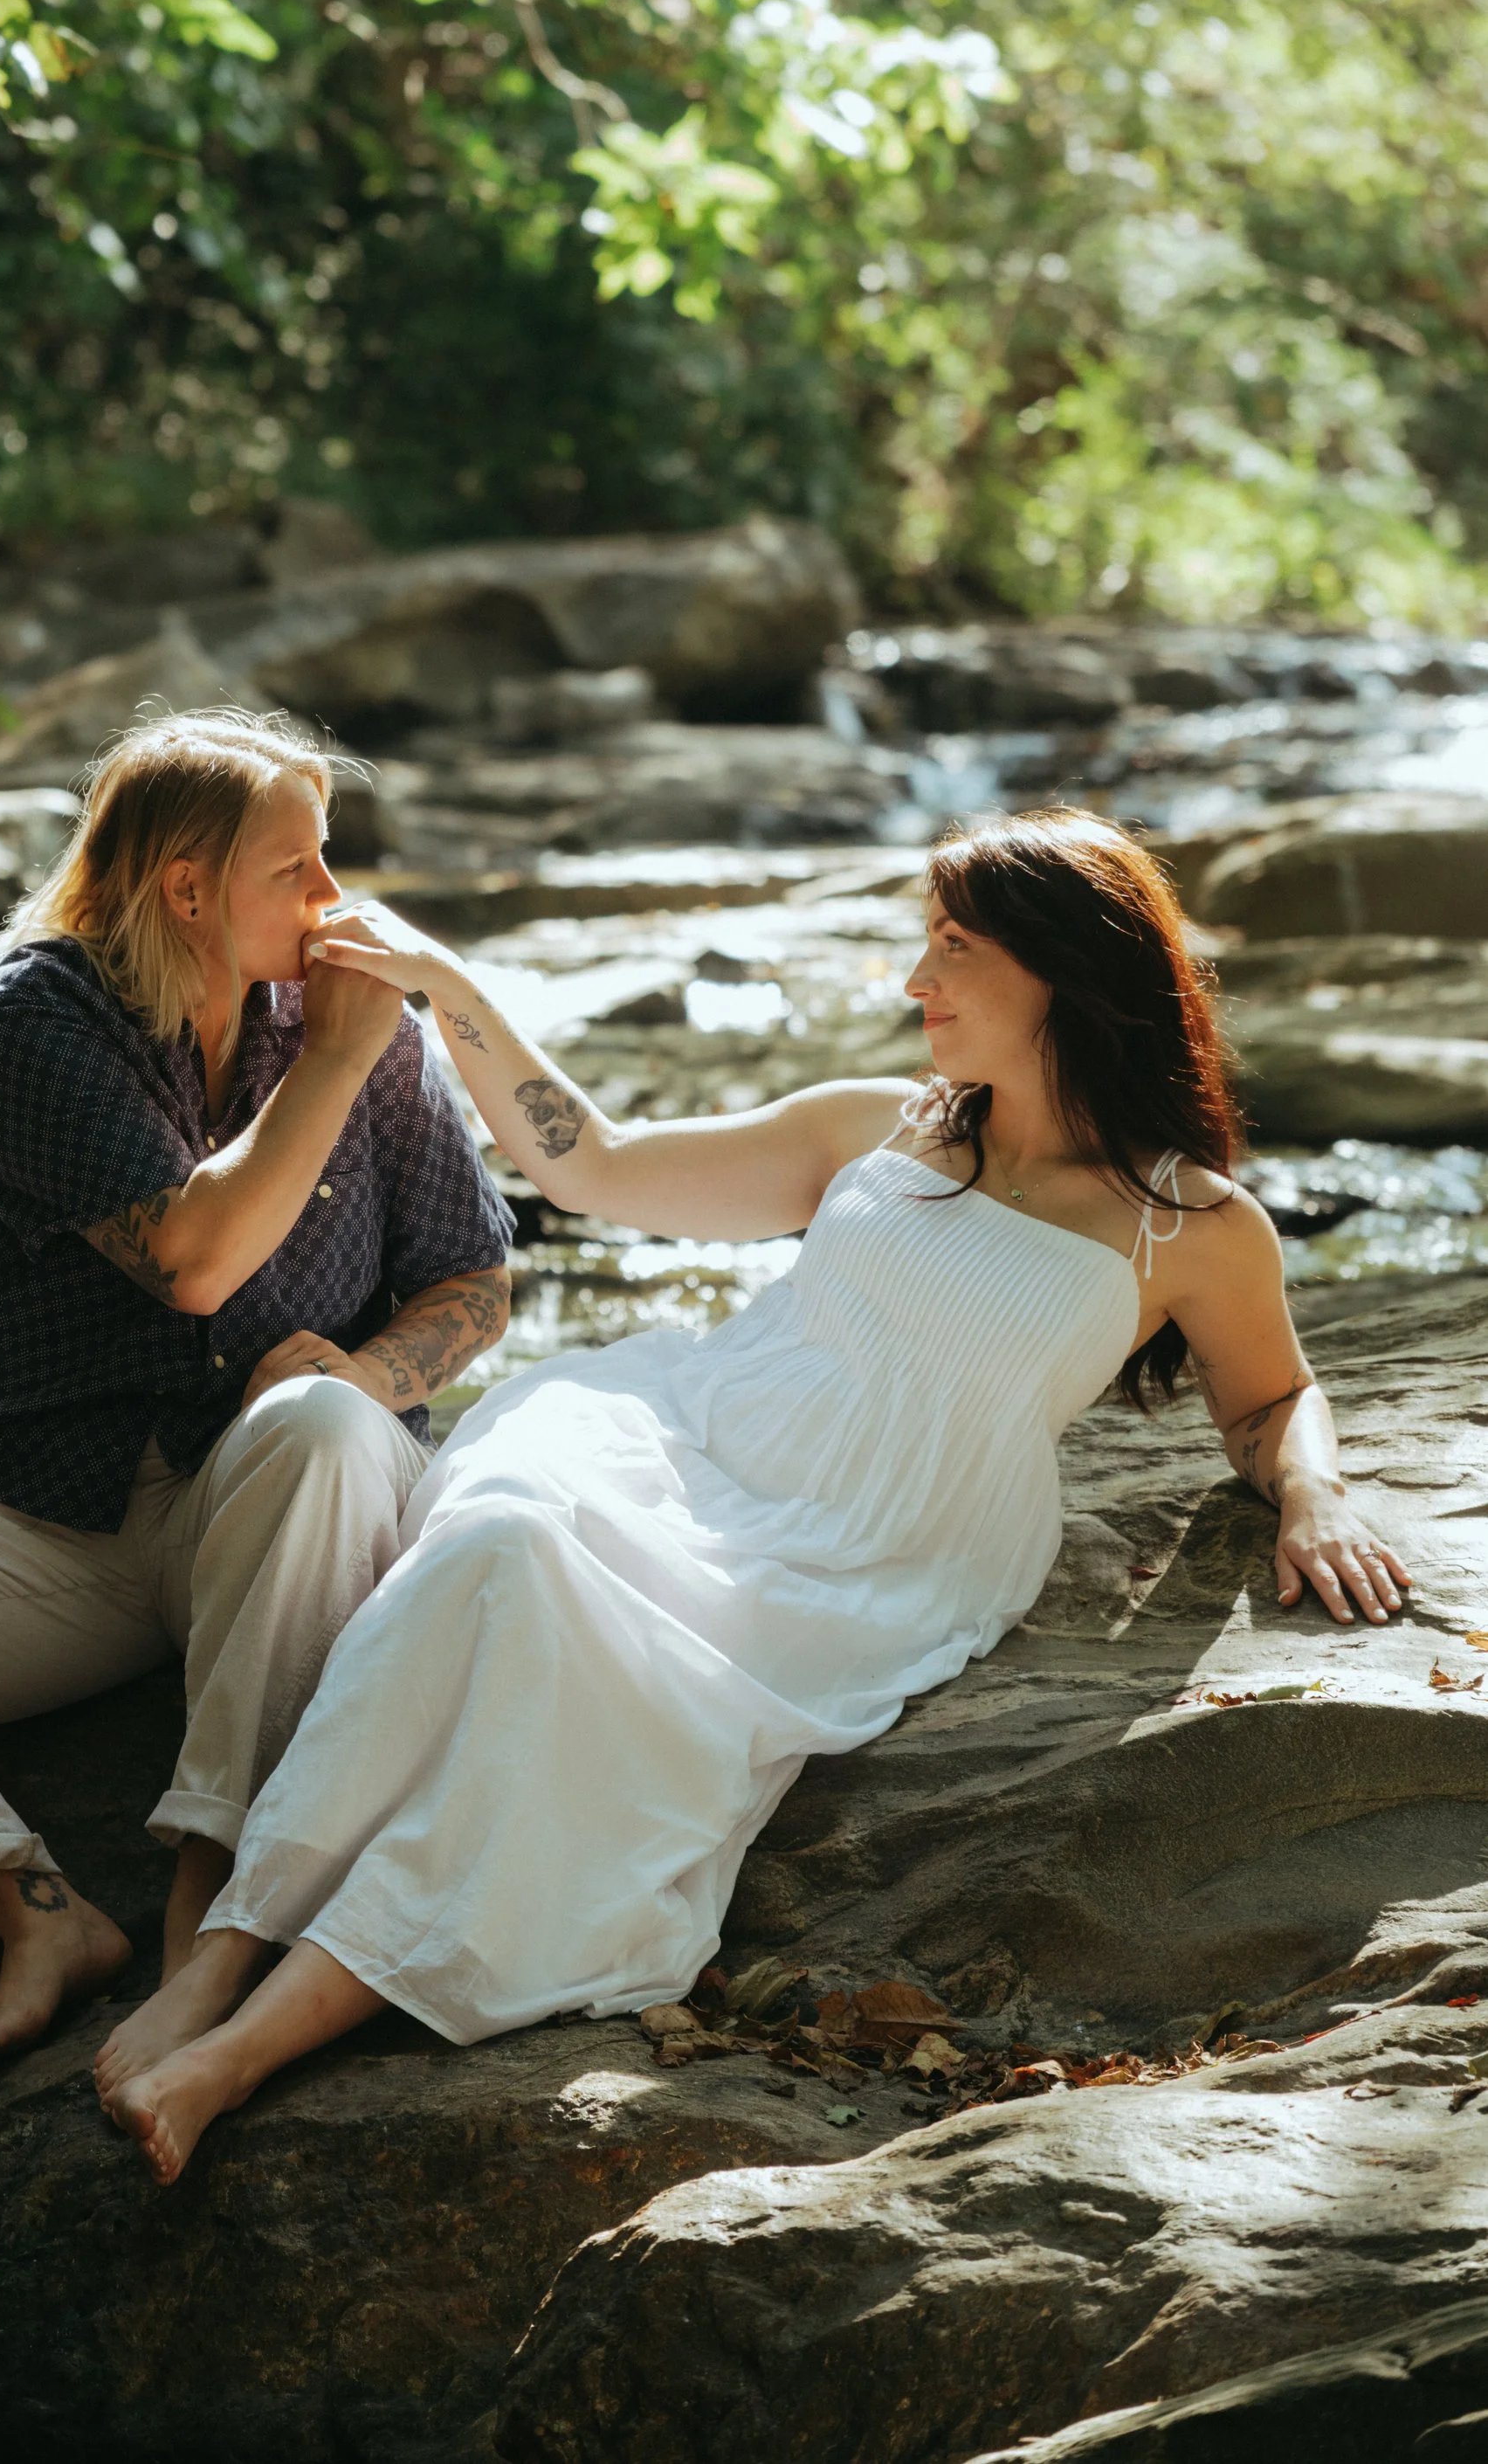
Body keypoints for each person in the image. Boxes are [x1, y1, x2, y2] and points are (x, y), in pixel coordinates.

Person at [92, 807, 1409, 2181]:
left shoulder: (1185, 1223)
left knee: (590, 1698)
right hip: (689, 1432)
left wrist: (1312, 1493)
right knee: (503, 1539)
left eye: (954, 948)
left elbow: (1267, 1399)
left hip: (870, 1552)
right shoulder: (877, 1128)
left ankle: (240, 2054)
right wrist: (449, 986)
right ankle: (216, 1961)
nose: (918, 981)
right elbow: (590, 1163)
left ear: (1066, 974)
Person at [0, 709, 512, 2067]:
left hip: (271, 1515)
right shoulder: (38, 1016)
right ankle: (37, 1909)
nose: (332, 898)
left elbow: (475, 1279)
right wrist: (341, 1056)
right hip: (36, 1514)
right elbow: (192, 1257)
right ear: (188, 888)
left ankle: (216, 1895)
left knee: (321, 1423)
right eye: (297, 868)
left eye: (328, 861)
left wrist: (366, 1371)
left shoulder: (355, 1018)